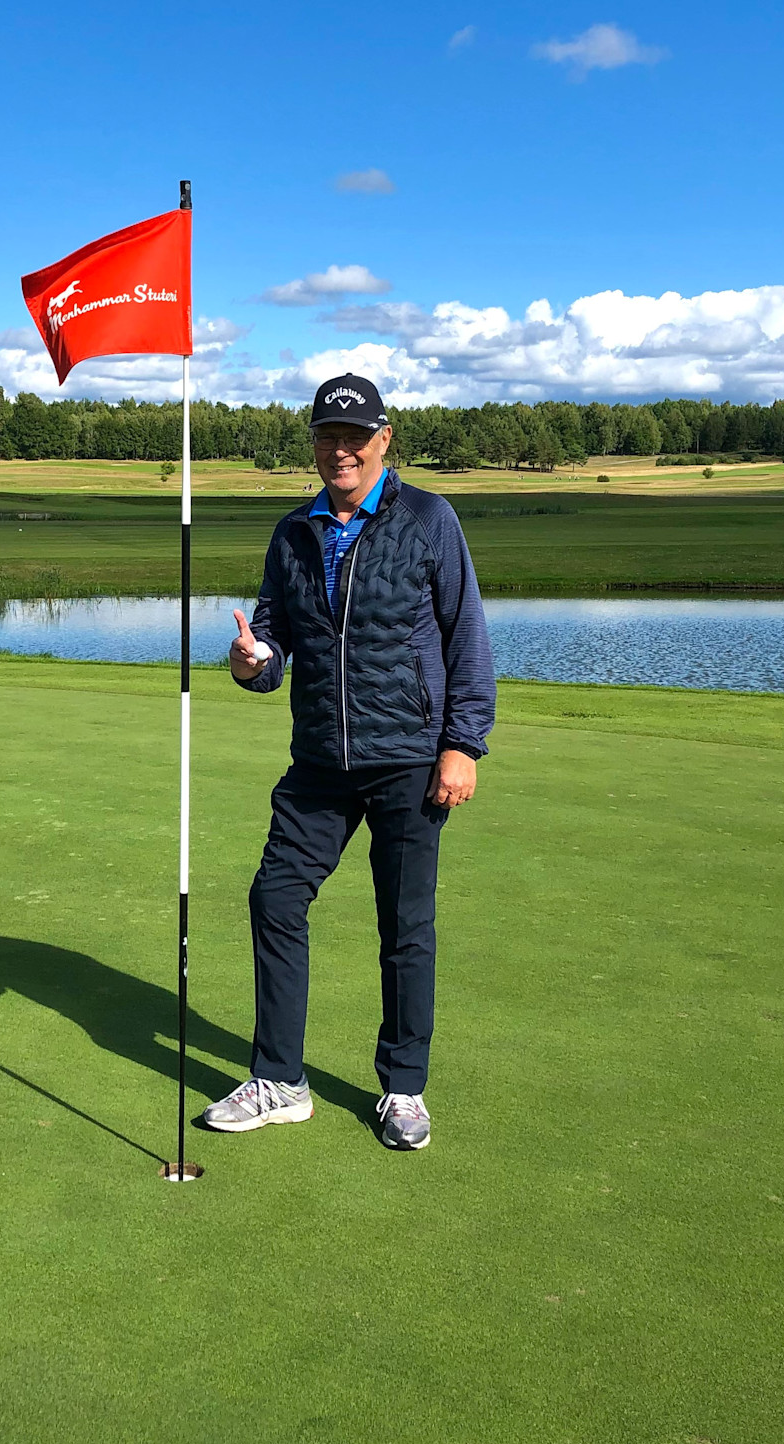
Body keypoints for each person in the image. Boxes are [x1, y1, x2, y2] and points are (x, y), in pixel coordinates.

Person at [203, 374, 495, 1151]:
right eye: (328, 437)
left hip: (409, 756)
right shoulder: (293, 532)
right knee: (275, 897)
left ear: (384, 439)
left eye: (355, 437)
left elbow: (465, 634)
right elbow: (271, 644)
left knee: (404, 926)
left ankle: (403, 1088)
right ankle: (280, 1080)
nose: (342, 451)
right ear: (314, 443)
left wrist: (463, 744)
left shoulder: (428, 519)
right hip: (320, 761)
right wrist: (250, 661)